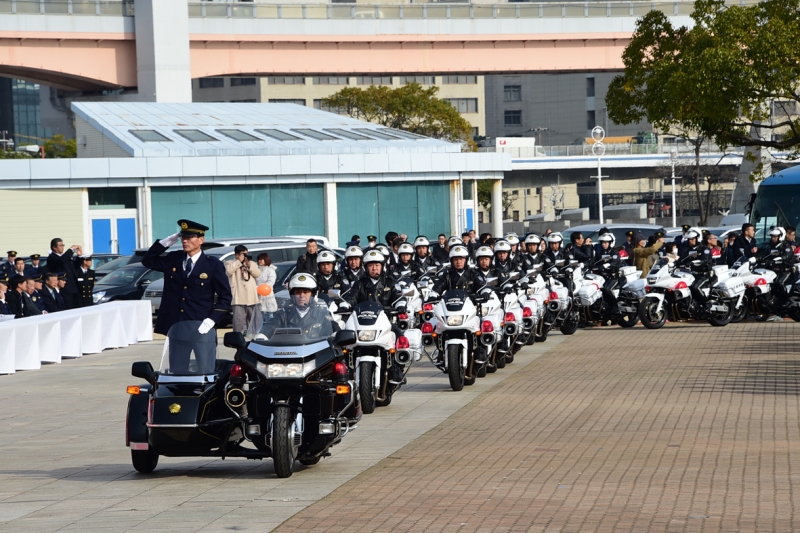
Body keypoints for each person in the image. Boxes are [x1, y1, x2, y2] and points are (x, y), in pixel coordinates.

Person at [142, 219, 232, 336]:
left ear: (201, 240)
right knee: (177, 355)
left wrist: (212, 319)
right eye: (183, 237)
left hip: (201, 325)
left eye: (189, 238)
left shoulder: (212, 265)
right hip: (176, 325)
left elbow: (225, 296)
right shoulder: (174, 259)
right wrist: (166, 243)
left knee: (204, 355)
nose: (185, 241)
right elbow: (148, 261)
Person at [260, 273, 339, 340]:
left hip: (317, 355)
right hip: (289, 355)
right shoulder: (283, 314)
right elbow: (270, 326)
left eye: (305, 292)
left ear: (313, 294)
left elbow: (334, 328)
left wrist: (338, 334)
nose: (301, 295)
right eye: (297, 292)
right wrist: (262, 335)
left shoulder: (322, 313)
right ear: (292, 295)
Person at [225, 245, 261, 335]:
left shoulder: (251, 263)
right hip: (238, 298)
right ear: (236, 255)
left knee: (253, 323)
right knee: (238, 323)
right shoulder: (229, 263)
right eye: (242, 254)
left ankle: (254, 339)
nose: (245, 256)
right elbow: (228, 272)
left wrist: (249, 266)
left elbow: (257, 274)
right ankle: (238, 339)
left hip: (251, 297)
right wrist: (239, 262)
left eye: (246, 254)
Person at [46, 238, 82, 309]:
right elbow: (61, 260)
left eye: (63, 245)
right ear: (54, 247)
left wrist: (79, 257)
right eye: (60, 245)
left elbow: (75, 267)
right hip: (64, 288)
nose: (62, 247)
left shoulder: (65, 257)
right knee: (67, 308)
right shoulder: (52, 257)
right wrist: (71, 249)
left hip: (74, 287)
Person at [255, 253, 278, 327]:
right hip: (258, 295)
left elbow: (271, 282)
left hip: (268, 295)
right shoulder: (256, 270)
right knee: (259, 317)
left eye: (261, 259)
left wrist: (264, 287)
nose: (260, 261)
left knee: (270, 315)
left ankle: (270, 331)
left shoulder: (270, 270)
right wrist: (256, 288)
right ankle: (259, 332)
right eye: (259, 259)